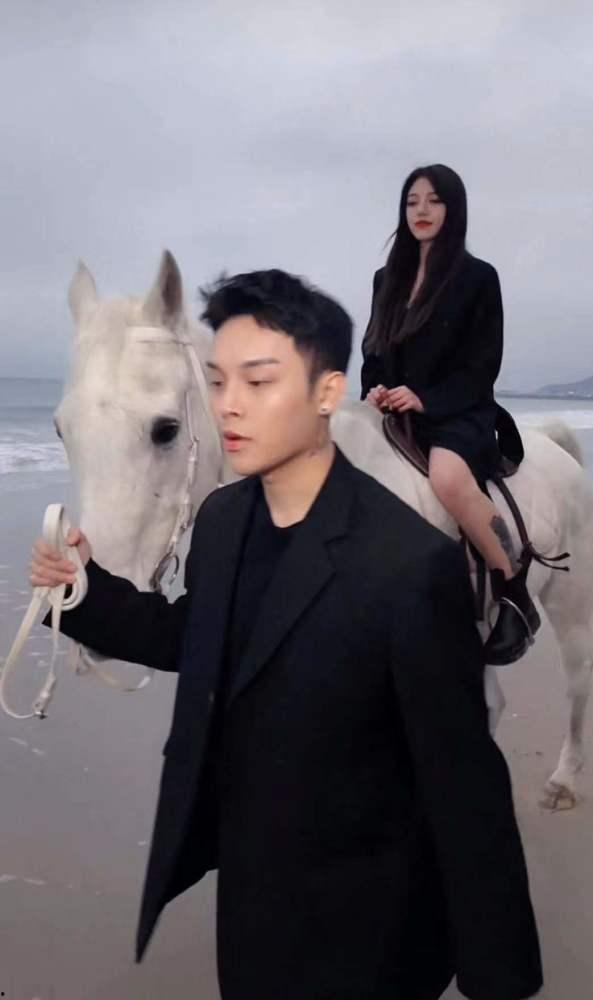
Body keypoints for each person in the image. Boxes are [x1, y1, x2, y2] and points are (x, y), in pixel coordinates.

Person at [31, 269, 542, 1000]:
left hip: (374, 932)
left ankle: (512, 583)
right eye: (218, 381)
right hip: (252, 907)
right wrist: (83, 591)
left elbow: (466, 789)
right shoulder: (223, 525)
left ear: (326, 392)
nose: (229, 405)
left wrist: (498, 974)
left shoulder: (411, 564)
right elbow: (198, 634)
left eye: (259, 380)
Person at [361, 164, 538, 666]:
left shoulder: (478, 278)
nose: (421, 210)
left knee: (447, 477)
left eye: (434, 200)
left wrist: (425, 398)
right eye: (412, 201)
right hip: (395, 410)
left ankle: (513, 591)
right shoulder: (385, 279)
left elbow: (483, 365)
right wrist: (375, 389)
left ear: (452, 209)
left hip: (459, 409)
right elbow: (374, 350)